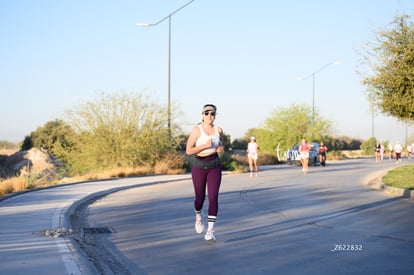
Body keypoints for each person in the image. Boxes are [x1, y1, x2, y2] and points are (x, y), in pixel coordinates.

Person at [186, 104, 223, 242]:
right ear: (202, 114)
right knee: (199, 198)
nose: (209, 116)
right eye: (206, 113)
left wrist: (220, 149)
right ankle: (198, 215)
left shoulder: (219, 130)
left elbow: (221, 146)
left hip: (214, 165)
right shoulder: (197, 130)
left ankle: (210, 230)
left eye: (212, 113)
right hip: (199, 166)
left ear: (215, 115)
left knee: (213, 197)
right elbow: (189, 151)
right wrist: (204, 146)